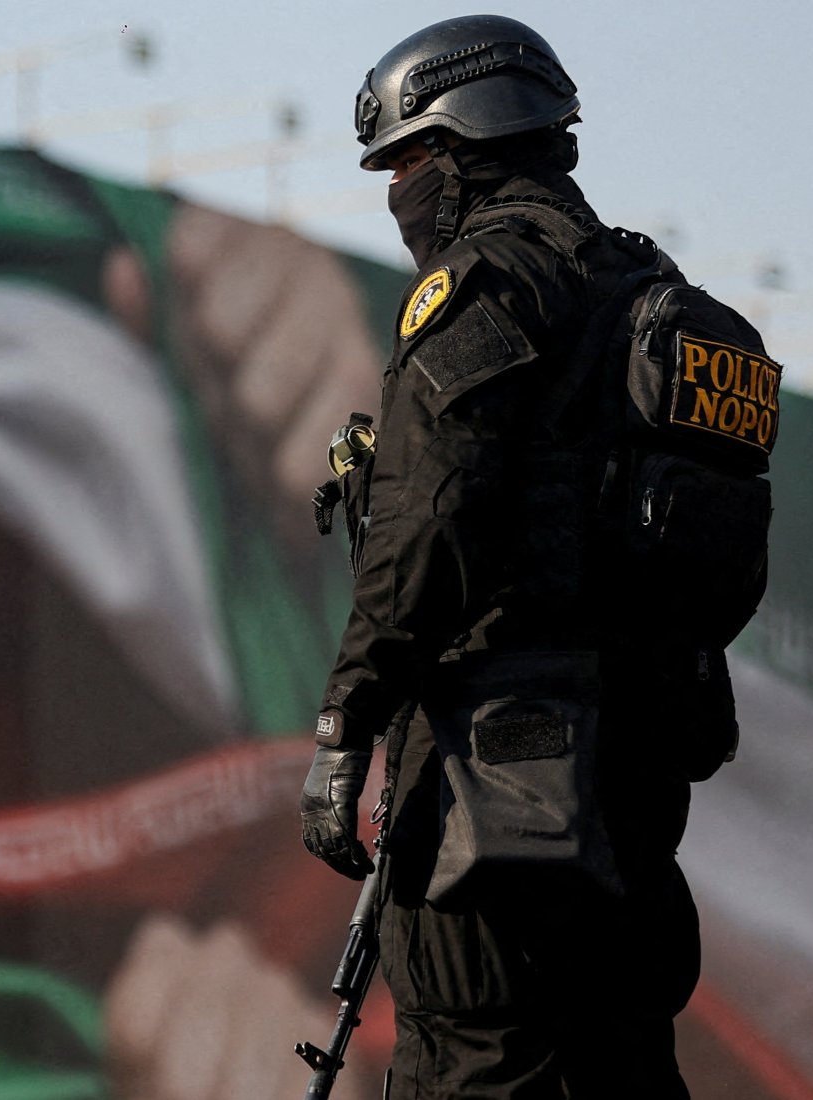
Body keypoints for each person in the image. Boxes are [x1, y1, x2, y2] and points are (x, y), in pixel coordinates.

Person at [297, 15, 706, 1097]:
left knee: (476, 1061)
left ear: (460, 141)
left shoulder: (484, 285)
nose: (396, 190)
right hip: (637, 793)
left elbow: (426, 522)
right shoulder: (663, 308)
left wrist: (346, 722)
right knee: (620, 1063)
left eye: (404, 159)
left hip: (496, 790)